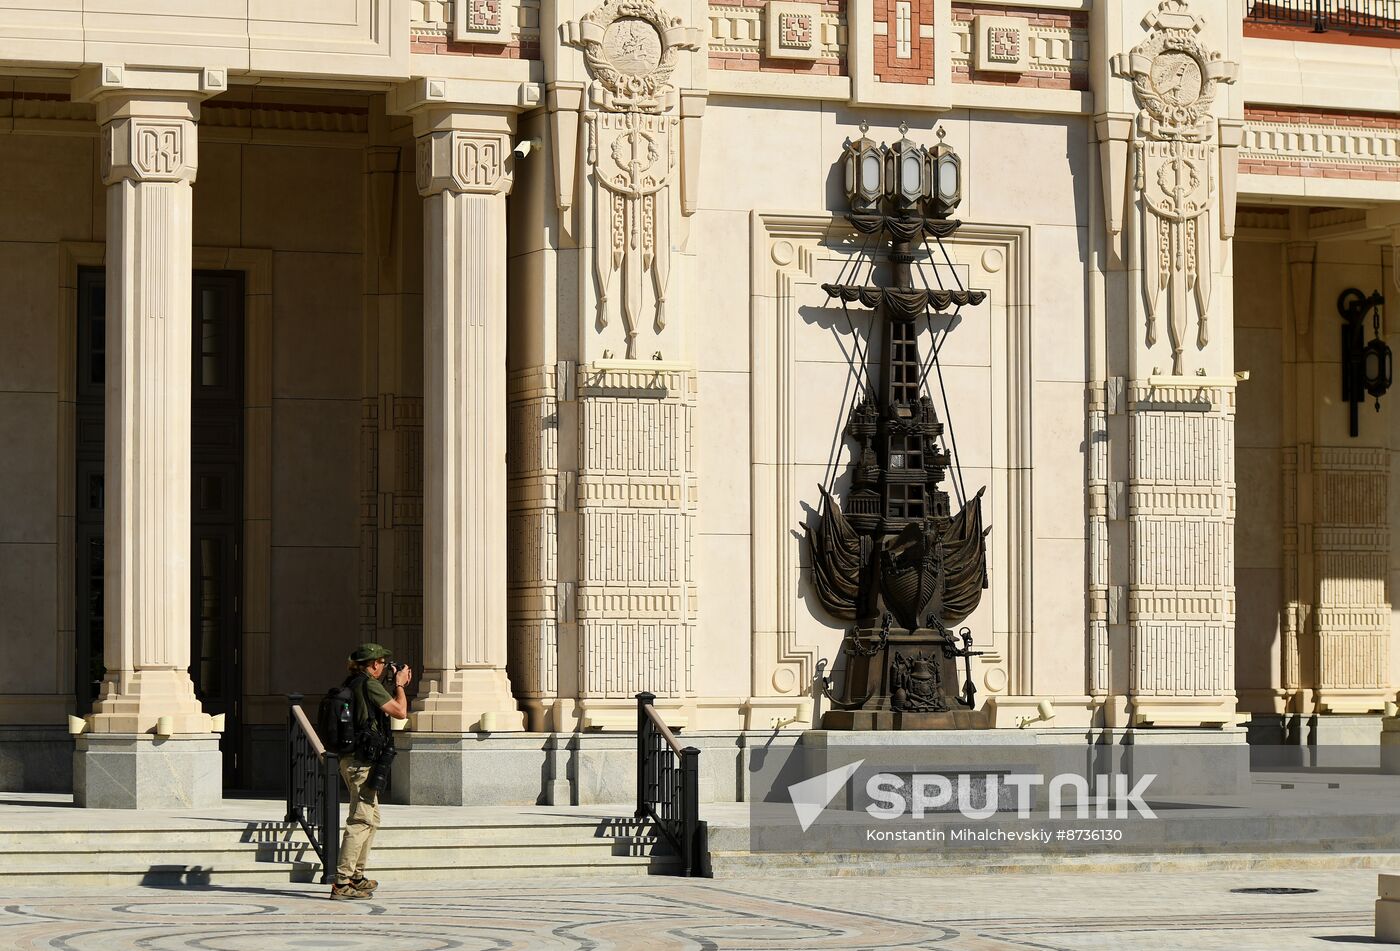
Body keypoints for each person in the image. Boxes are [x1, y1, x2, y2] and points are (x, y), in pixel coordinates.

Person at [330, 642, 412, 901]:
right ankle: (342, 882)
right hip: (360, 762)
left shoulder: (355, 683)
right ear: (373, 664)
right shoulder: (368, 684)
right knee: (361, 819)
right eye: (384, 663)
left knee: (371, 818)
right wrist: (399, 685)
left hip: (356, 759)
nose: (386, 667)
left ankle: (356, 876)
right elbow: (400, 712)